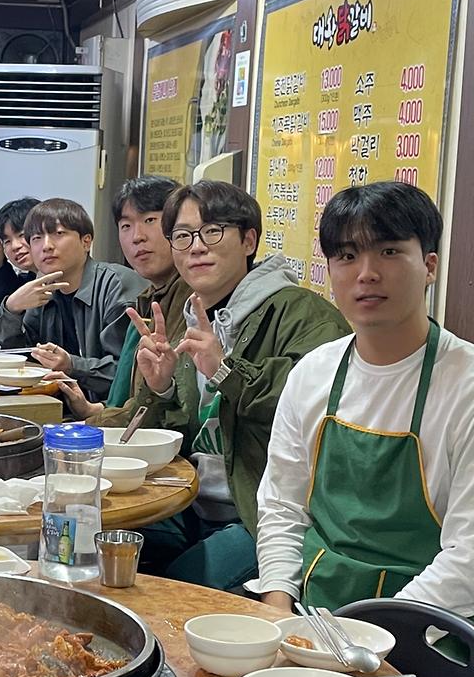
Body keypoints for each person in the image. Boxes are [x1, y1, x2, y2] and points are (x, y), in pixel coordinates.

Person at [251, 183, 474, 616]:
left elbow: (467, 555)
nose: (366, 273)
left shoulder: (463, 384)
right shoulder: (312, 374)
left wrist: (375, 631)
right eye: (347, 255)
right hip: (312, 614)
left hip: (429, 624)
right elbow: (281, 507)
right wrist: (277, 609)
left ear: (429, 266)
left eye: (389, 251)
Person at [128, 180, 349, 589]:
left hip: (261, 514)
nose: (196, 247)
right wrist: (160, 389)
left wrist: (226, 371)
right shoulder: (193, 316)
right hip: (190, 502)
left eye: (212, 232)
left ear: (249, 240)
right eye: (182, 236)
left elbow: (314, 409)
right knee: (109, 548)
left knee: (172, 586)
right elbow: (185, 431)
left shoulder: (302, 313)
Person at [56, 175, 190, 427]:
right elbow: (135, 400)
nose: (137, 237)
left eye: (150, 220)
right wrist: (92, 411)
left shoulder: (192, 300)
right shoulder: (149, 298)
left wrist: (92, 422)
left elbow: (173, 408)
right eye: (126, 225)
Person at [0, 197, 147, 401]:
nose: (46, 246)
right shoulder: (44, 290)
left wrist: (71, 365)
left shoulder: (117, 285)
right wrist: (12, 308)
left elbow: (129, 373)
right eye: (36, 238)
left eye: (58, 234)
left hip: (110, 411)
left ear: (86, 241)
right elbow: (10, 357)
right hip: (60, 405)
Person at [0, 197, 40, 306]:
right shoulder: (30, 279)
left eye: (21, 235)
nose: (15, 246)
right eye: (7, 241)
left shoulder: (66, 280)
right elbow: (5, 296)